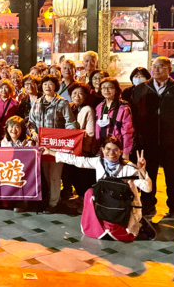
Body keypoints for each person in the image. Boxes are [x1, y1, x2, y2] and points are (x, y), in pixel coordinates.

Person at [42, 138, 152, 242]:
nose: (111, 153)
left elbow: (147, 189)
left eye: (115, 150)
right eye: (108, 149)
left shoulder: (128, 167)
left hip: (121, 206)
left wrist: (142, 171)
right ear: (102, 150)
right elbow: (76, 160)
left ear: (120, 152)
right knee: (89, 193)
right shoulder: (99, 162)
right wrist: (50, 152)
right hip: (105, 204)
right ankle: (98, 227)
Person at [130, 56, 174, 219]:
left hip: (172, 142)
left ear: (169, 69)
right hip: (148, 141)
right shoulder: (141, 88)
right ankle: (148, 204)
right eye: (154, 66)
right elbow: (133, 112)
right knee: (148, 174)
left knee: (173, 176)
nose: (156, 69)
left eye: (160, 66)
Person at [28, 74, 79, 213]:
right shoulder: (37, 102)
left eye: (50, 84)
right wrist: (33, 133)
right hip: (41, 145)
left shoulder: (62, 103)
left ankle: (53, 203)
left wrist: (68, 135)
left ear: (55, 86)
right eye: (45, 84)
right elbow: (31, 121)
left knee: (55, 175)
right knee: (45, 175)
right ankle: (52, 198)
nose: (47, 87)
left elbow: (70, 122)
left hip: (57, 145)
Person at [95, 78, 134, 160]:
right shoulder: (99, 107)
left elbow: (127, 132)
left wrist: (126, 152)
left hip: (116, 149)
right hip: (101, 148)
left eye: (109, 87)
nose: (106, 90)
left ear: (116, 90)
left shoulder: (123, 108)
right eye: (103, 87)